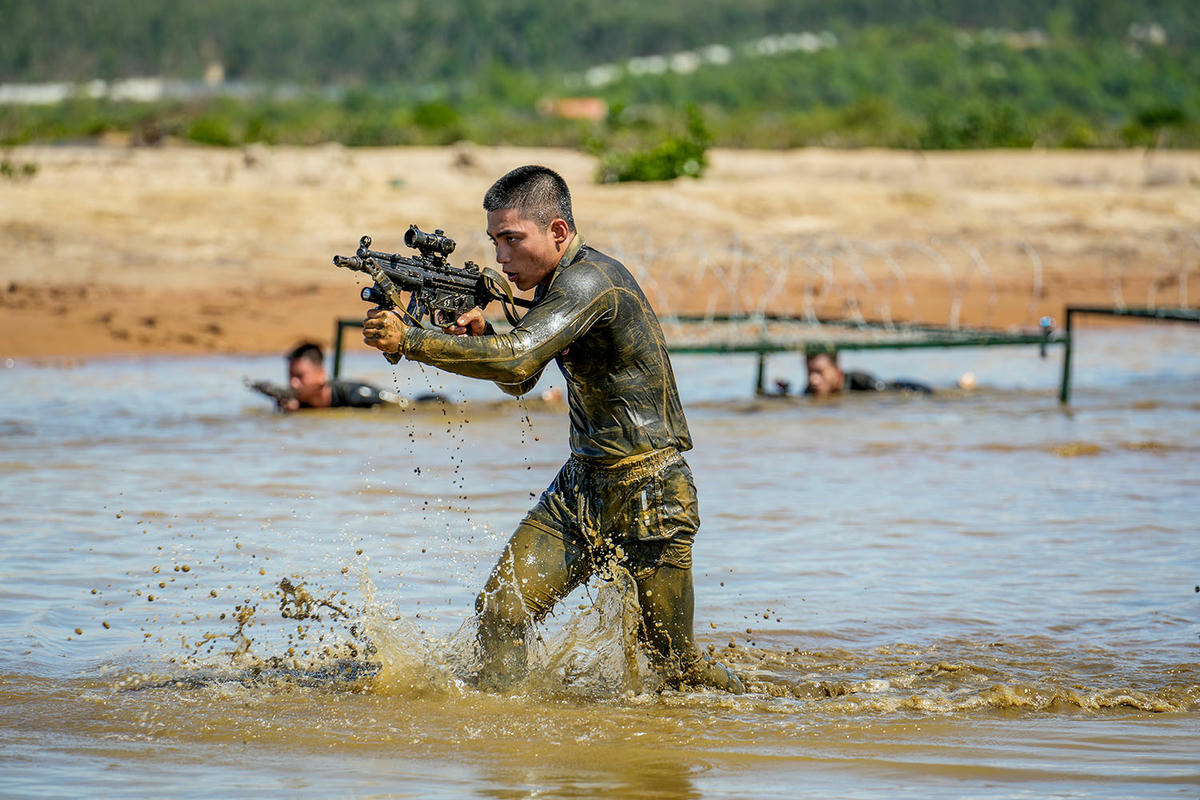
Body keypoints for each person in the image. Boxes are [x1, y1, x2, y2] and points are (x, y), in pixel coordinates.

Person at [362, 165, 744, 694]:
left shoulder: (589, 280)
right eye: (495, 241)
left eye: (512, 240)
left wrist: (414, 341)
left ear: (558, 232)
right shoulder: (552, 286)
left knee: (674, 669)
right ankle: (506, 728)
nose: (500, 258)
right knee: (501, 611)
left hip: (650, 487)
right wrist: (483, 334)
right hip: (581, 484)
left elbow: (517, 364)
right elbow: (520, 379)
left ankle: (776, 707)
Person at [276, 342, 398, 411]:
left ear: (321, 375)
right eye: (291, 376)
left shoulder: (357, 396)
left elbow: (402, 406)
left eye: (300, 376)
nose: (293, 383)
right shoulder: (290, 402)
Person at [804, 350, 932, 397]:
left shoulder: (861, 382)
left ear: (837, 369)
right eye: (810, 372)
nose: (813, 379)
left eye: (820, 372)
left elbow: (893, 393)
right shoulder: (811, 390)